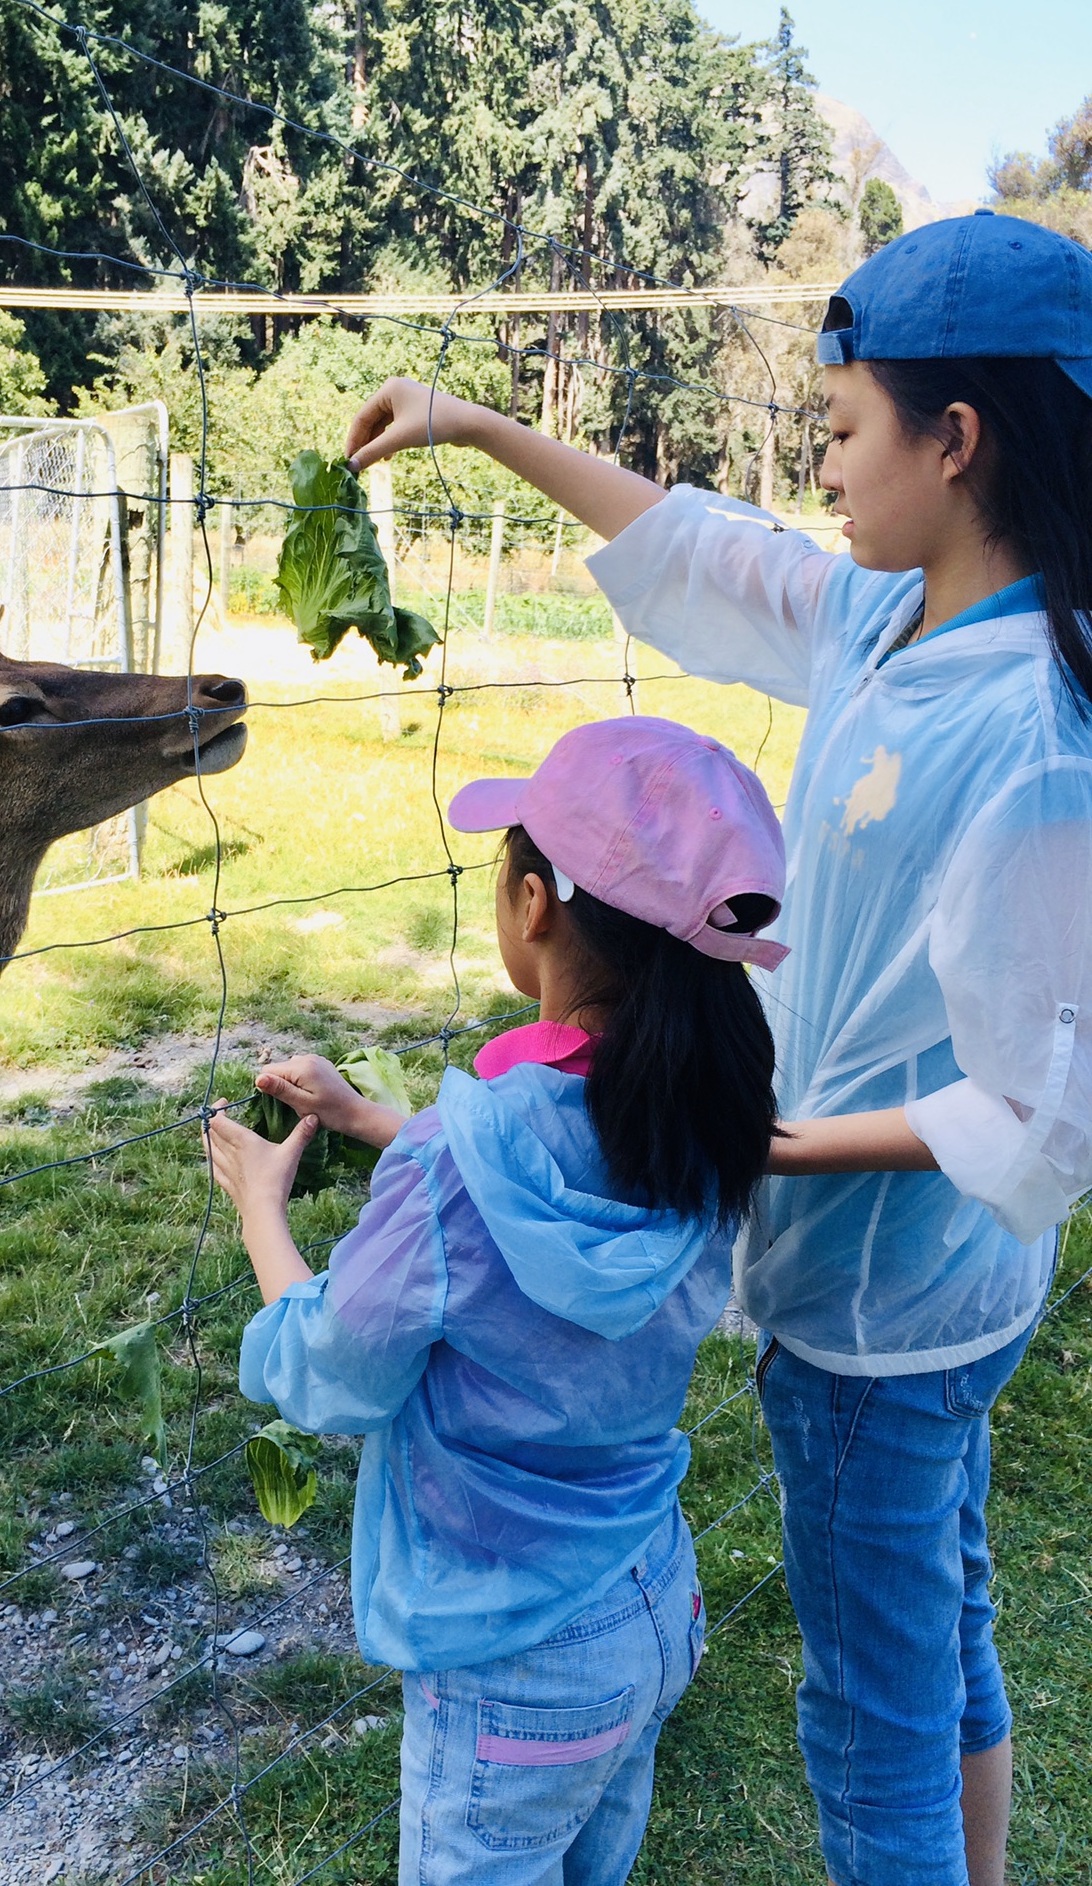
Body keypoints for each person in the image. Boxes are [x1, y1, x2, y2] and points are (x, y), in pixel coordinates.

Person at [331, 211, 1092, 1886]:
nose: (818, 468)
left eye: (840, 429)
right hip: (920, 1296)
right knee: (944, 1637)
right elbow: (702, 549)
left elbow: (1045, 1114)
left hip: (880, 1321)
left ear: (953, 442)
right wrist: (467, 422)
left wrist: (776, 1151)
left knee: (871, 1726)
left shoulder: (1032, 735)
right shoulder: (889, 625)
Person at [205, 716, 788, 1886]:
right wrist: (384, 1123)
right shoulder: (709, 1111)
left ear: (534, 904)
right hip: (648, 1601)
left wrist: (265, 1207)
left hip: (510, 1660)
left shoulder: (460, 1171)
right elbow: (543, 1154)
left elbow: (327, 1374)